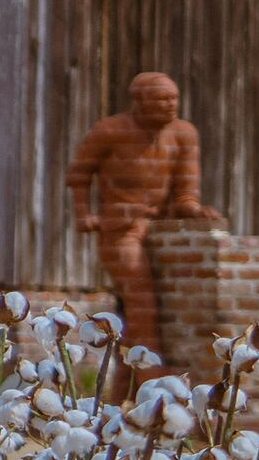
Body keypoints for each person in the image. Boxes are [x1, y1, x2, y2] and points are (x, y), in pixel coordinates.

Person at [64, 70, 222, 355]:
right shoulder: (111, 130)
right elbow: (78, 175)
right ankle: (153, 373)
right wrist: (83, 214)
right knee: (141, 299)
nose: (170, 105)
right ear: (139, 101)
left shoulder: (183, 133)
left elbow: (186, 187)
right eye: (161, 99)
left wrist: (192, 208)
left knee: (158, 303)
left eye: (174, 98)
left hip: (161, 226)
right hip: (120, 226)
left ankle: (128, 382)